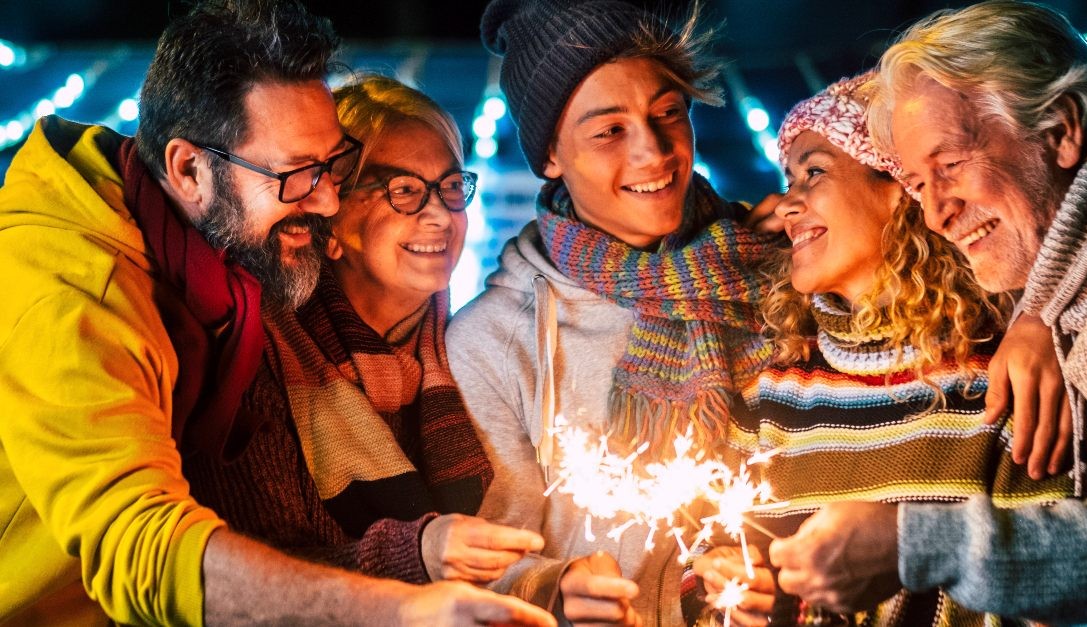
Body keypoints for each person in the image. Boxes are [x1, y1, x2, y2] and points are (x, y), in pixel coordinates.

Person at [0, 2, 554, 625]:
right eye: (295, 174)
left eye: (334, 166)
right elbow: (146, 549)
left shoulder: (216, 258)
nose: (325, 202)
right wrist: (399, 610)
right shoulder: (77, 294)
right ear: (189, 169)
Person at [769, 1, 1087, 622]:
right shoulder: (1081, 274)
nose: (937, 213)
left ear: (1059, 130)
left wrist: (915, 544)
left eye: (949, 166)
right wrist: (1037, 314)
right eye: (918, 184)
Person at [682, 72, 1073, 627]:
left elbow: (1048, 586)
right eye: (788, 180)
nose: (788, 206)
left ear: (898, 189)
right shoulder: (773, 388)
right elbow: (706, 552)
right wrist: (731, 588)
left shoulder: (1003, 380)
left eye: (814, 173)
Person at [447, 0, 781, 623]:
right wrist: (556, 587)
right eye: (608, 131)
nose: (652, 152)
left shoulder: (766, 277)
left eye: (667, 114)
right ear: (550, 154)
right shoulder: (494, 339)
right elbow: (476, 565)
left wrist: (754, 571)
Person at [184, 74, 545, 586]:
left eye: (449, 187)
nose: (440, 214)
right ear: (330, 217)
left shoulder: (473, 350)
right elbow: (247, 579)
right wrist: (414, 554)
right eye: (403, 190)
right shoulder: (258, 362)